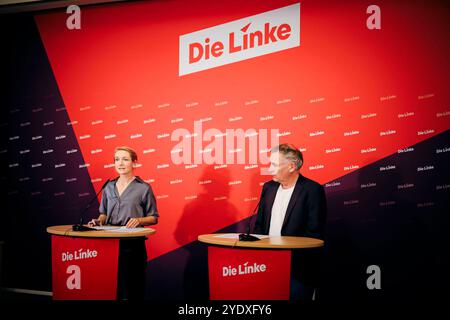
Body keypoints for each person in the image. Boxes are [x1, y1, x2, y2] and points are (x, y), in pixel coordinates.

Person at [254, 143, 327, 301]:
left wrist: (287, 259)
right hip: (267, 266)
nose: (270, 169)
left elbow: (314, 234)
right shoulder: (268, 187)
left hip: (298, 271)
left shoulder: (312, 190)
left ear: (292, 166)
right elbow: (260, 225)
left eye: (274, 164)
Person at [88, 146, 159, 300]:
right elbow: (104, 214)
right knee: (111, 288)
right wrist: (98, 221)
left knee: (134, 289)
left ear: (134, 163)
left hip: (133, 245)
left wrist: (139, 220)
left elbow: (153, 217)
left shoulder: (143, 188)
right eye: (117, 159)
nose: (120, 163)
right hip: (109, 244)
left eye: (125, 159)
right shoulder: (108, 187)